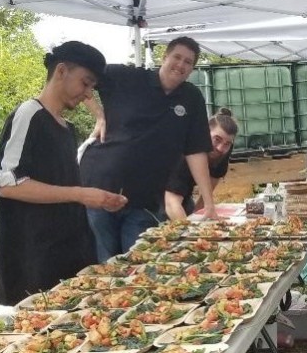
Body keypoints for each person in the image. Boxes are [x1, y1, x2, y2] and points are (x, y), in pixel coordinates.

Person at [0, 41, 127, 306]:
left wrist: (94, 198)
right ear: (62, 71)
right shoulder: (29, 114)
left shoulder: (67, 128)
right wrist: (80, 193)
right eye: (85, 83)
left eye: (92, 87)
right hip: (33, 262)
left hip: (66, 255)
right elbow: (8, 184)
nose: (88, 94)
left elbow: (62, 188)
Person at [79, 36, 217, 262]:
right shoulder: (127, 77)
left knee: (139, 264)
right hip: (101, 186)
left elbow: (196, 150)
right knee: (105, 266)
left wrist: (209, 204)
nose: (181, 65)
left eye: (188, 62)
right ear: (164, 57)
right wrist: (98, 113)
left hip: (145, 198)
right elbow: (83, 74)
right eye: (177, 57)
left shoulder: (191, 98)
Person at [162, 108, 237, 220]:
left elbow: (207, 194)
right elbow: (171, 203)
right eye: (217, 139)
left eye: (227, 144)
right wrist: (192, 234)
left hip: (184, 194)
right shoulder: (185, 153)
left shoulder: (223, 151)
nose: (220, 148)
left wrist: (202, 221)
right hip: (155, 196)